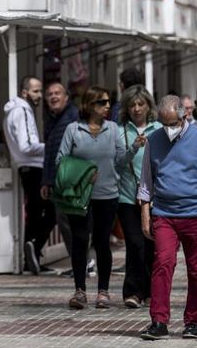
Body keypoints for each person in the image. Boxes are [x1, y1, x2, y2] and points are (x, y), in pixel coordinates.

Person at [137, 95, 197, 341]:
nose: (168, 129)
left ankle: (192, 321)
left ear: (184, 116)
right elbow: (146, 181)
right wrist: (145, 214)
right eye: (163, 124)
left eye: (172, 123)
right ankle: (158, 321)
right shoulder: (154, 140)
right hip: (164, 214)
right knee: (162, 263)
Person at [56, 85, 132, 309]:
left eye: (109, 102)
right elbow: (61, 160)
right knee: (80, 242)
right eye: (102, 102)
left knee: (102, 243)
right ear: (89, 105)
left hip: (107, 194)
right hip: (79, 196)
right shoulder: (73, 129)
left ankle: (103, 291)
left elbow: (120, 159)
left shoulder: (113, 129)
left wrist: (134, 149)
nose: (108, 106)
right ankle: (80, 291)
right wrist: (82, 173)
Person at [3, 76, 55, 275]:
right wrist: (50, 148)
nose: (40, 96)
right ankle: (32, 246)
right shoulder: (22, 110)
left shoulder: (15, 111)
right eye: (36, 91)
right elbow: (26, 145)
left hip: (26, 167)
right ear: (24, 92)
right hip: (33, 167)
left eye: (40, 91)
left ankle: (31, 253)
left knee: (36, 211)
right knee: (51, 209)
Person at [116, 84, 161, 308]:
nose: (136, 108)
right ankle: (133, 291)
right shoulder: (121, 130)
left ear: (148, 106)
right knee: (135, 244)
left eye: (140, 104)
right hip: (127, 196)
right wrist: (133, 148)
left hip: (154, 198)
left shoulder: (158, 128)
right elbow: (118, 162)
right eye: (132, 105)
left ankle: (152, 291)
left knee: (152, 244)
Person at [40, 81, 80, 274]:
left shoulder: (74, 116)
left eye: (57, 93)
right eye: (49, 94)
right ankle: (78, 262)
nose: (53, 97)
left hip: (72, 178)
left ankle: (82, 262)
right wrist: (46, 181)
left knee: (73, 222)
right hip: (57, 180)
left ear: (66, 97)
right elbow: (49, 153)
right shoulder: (51, 120)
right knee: (64, 222)